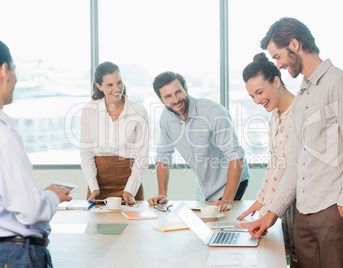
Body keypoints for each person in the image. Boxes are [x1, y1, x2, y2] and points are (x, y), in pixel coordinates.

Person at [248, 17, 343, 268]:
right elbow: (295, 162)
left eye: (279, 56)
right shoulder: (303, 94)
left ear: (294, 44)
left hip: (332, 210)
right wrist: (272, 214)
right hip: (303, 212)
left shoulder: (339, 84)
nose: (279, 65)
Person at [0, 40, 72, 267]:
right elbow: (31, 211)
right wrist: (52, 195)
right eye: (14, 70)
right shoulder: (5, 137)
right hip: (17, 253)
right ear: (4, 71)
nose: (16, 79)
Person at [147, 71, 250, 211]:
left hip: (230, 181)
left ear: (186, 89)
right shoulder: (166, 117)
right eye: (168, 96)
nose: (176, 100)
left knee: (221, 222)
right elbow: (163, 156)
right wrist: (162, 194)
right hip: (205, 187)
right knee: (204, 225)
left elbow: (236, 156)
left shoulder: (213, 111)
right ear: (161, 100)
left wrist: (226, 200)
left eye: (178, 92)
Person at [235, 52, 297, 267]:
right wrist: (261, 200)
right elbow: (274, 165)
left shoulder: (299, 113)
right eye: (252, 96)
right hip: (283, 206)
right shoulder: (275, 116)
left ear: (277, 81)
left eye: (259, 92)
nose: (257, 100)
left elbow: (288, 169)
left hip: (299, 204)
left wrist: (265, 214)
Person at [80, 61, 149, 205]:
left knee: (133, 227)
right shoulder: (89, 111)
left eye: (119, 83)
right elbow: (86, 152)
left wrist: (130, 189)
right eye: (109, 85)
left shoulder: (138, 111)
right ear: (99, 86)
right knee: (97, 227)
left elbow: (142, 155)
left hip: (130, 186)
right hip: (98, 188)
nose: (117, 88)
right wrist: (94, 187)